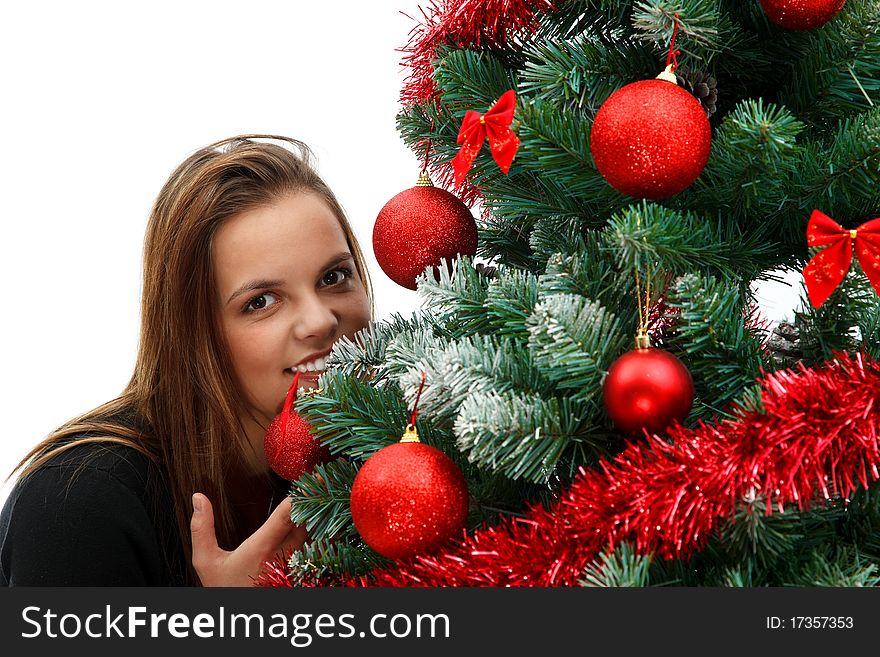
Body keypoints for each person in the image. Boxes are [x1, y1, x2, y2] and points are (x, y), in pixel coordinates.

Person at [0, 135, 373, 586]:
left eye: (334, 276)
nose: (320, 320)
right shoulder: (76, 501)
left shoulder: (386, 451)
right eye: (262, 301)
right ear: (192, 332)